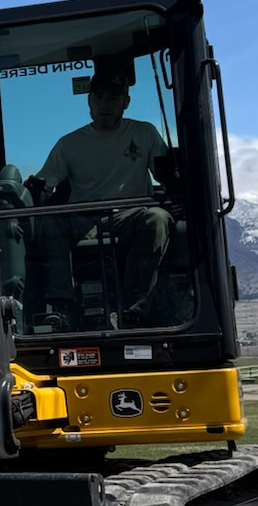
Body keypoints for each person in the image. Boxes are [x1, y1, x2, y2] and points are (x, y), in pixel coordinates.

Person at [35, 71, 171, 323]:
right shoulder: (69, 144)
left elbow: (167, 177)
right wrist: (28, 192)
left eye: (113, 98)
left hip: (130, 215)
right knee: (50, 221)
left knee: (157, 218)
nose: (104, 105)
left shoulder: (144, 133)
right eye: (98, 97)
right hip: (82, 220)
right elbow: (44, 183)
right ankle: (61, 308)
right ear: (89, 101)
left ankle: (134, 310)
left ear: (126, 102)